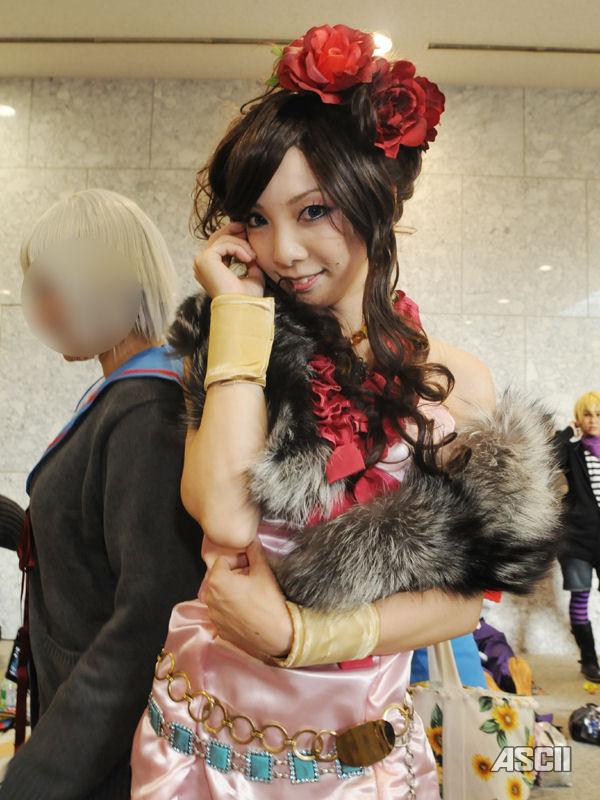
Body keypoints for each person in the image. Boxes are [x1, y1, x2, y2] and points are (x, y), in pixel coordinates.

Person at [130, 24, 564, 798]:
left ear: (375, 201)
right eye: (256, 218)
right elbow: (224, 516)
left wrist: (303, 635)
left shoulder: (458, 388)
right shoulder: (235, 350)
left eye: (313, 211)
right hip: (202, 747)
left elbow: (463, 605)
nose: (283, 251)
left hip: (352, 760)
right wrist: (237, 313)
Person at [0, 189, 206, 799]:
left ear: (101, 285)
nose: (41, 310)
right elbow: (88, 536)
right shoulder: (126, 392)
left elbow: (148, 622)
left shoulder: (145, 408)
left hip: (107, 756)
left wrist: (39, 775)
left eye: (50, 288)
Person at [553, 390, 600, 682]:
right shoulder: (571, 451)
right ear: (579, 418)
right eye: (587, 414)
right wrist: (567, 432)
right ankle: (589, 661)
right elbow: (547, 455)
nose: (593, 420)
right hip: (577, 540)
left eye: (598, 414)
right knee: (580, 597)